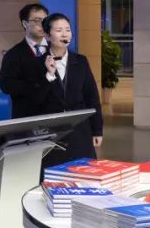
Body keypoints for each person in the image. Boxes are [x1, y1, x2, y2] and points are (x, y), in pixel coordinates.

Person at [30, 13, 104, 167]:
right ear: (47, 35)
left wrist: (97, 130)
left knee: (83, 172)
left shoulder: (81, 61)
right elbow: (35, 100)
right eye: (59, 30)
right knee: (53, 174)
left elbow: (92, 97)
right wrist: (49, 75)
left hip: (80, 131)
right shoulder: (36, 64)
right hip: (51, 134)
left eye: (68, 30)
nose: (65, 34)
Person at [0, 3, 51, 118]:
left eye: (45, 20)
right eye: (37, 20)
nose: (43, 24)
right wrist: (37, 85)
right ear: (25, 23)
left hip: (55, 116)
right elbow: (6, 85)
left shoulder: (56, 50)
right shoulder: (13, 54)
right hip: (26, 116)